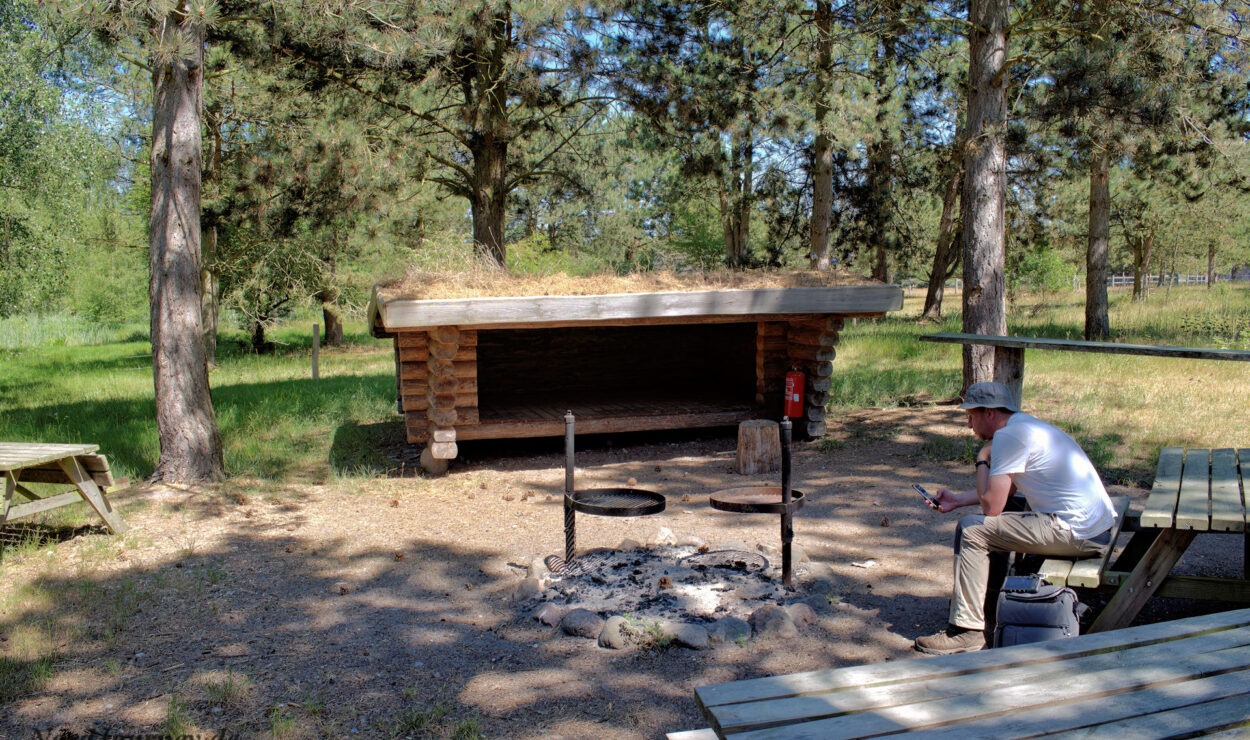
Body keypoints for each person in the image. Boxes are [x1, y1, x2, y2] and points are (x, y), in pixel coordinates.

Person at [914, 381, 1116, 655]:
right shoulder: (1026, 426)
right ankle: (989, 609)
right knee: (996, 522)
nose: (969, 426)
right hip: (1095, 527)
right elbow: (1004, 492)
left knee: (972, 529)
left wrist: (983, 456)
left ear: (989, 413)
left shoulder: (1008, 438)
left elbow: (991, 508)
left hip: (1077, 533)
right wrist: (958, 500)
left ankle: (967, 632)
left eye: (971, 416)